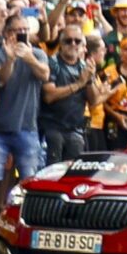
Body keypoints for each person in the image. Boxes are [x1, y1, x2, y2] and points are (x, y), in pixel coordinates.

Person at [0, 16, 50, 239]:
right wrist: (11, 59)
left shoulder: (38, 53)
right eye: (16, 30)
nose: (21, 34)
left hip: (27, 127)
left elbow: (44, 74)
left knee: (28, 179)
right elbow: (0, 80)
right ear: (7, 33)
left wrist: (28, 57)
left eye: (25, 30)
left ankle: (25, 219)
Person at [40, 18, 93, 164]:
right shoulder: (52, 62)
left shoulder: (84, 66)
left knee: (73, 174)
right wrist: (78, 84)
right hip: (52, 128)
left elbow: (93, 101)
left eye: (77, 41)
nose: (73, 44)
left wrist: (89, 80)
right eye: (68, 41)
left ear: (83, 45)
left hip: (75, 129)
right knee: (52, 171)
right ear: (61, 44)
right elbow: (49, 96)